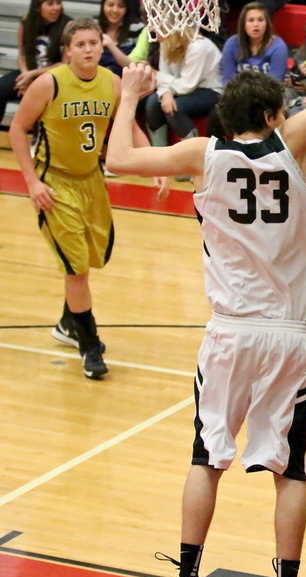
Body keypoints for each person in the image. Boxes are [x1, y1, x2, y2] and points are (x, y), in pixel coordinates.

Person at [105, 1, 306, 577]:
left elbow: (118, 160)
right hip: (289, 336)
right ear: (275, 115)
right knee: (290, 471)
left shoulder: (203, 155)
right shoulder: (293, 144)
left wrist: (130, 97)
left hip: (227, 332)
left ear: (226, 116)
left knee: (206, 459)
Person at [8, 18, 169, 380]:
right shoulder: (49, 83)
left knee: (94, 257)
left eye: (94, 42)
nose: (89, 49)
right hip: (55, 183)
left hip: (91, 181)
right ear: (67, 51)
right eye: (80, 44)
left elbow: (128, 125)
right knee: (76, 268)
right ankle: (89, 344)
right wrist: (32, 182)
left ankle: (68, 323)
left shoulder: (111, 82)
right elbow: (18, 129)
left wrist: (154, 163)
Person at [207, 1, 289, 138]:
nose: (256, 24)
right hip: (239, 99)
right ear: (243, 24)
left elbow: (276, 85)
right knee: (216, 113)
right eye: (251, 20)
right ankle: (215, 153)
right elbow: (228, 80)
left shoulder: (278, 47)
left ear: (267, 23)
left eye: (260, 20)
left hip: (268, 102)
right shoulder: (232, 44)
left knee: (271, 117)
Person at [145, 29, 222, 148]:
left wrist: (161, 80)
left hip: (212, 90)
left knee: (174, 107)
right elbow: (163, 77)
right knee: (152, 102)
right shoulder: (165, 42)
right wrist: (165, 93)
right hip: (181, 87)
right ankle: (159, 153)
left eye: (158, 29)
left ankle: (195, 152)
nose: (154, 34)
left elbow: (187, 85)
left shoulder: (197, 46)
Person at [0, 0, 71, 130]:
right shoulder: (26, 22)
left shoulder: (68, 25)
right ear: (38, 7)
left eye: (58, 3)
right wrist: (25, 76)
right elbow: (21, 55)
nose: (56, 8)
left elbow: (64, 64)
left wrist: (30, 75)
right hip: (29, 73)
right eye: (50, 4)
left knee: (43, 101)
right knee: (1, 87)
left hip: (54, 78)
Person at [97, 0, 149, 76]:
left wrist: (111, 45)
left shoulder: (137, 29)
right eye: (110, 5)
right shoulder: (95, 28)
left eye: (121, 6)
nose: (115, 10)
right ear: (103, 6)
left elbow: (134, 66)